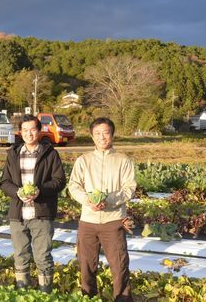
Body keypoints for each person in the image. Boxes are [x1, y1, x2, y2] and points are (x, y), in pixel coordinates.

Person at [68, 117, 136, 301]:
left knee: (119, 266)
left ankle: (122, 299)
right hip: (88, 221)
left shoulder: (123, 161)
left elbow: (129, 188)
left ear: (112, 135)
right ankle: (89, 297)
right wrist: (87, 200)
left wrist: (110, 200)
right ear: (92, 136)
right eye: (97, 133)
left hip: (113, 221)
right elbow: (73, 186)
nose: (102, 137)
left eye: (106, 133)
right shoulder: (84, 160)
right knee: (86, 266)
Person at [0, 115, 66, 293]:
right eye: (25, 130)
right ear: (20, 132)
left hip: (41, 213)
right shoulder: (13, 153)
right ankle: (24, 293)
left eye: (33, 129)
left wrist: (40, 191)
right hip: (18, 214)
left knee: (42, 256)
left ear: (39, 131)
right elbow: (4, 182)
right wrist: (17, 192)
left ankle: (45, 293)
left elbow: (59, 181)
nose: (29, 133)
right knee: (20, 255)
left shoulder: (50, 153)